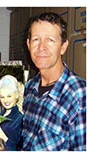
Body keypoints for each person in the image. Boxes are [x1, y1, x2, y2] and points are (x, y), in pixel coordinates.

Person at [21, 12, 86, 151]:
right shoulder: (29, 87)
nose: (41, 47)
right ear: (28, 44)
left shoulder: (80, 95)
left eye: (50, 40)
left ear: (63, 47)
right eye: (36, 39)